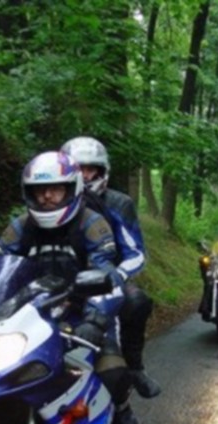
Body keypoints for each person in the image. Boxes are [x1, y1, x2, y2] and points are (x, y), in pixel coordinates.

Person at [0, 150, 140, 424]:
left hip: (84, 311)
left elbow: (108, 276)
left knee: (112, 371)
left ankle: (123, 410)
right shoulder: (19, 227)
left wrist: (95, 319)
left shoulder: (92, 224)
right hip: (30, 315)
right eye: (39, 190)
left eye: (55, 189)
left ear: (72, 189)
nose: (47, 197)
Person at [61, 136, 161, 399]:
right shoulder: (51, 201)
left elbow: (136, 252)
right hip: (60, 279)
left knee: (137, 301)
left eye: (90, 169)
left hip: (107, 276)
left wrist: (116, 275)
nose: (85, 175)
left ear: (102, 171)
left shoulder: (119, 203)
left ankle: (135, 368)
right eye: (78, 169)